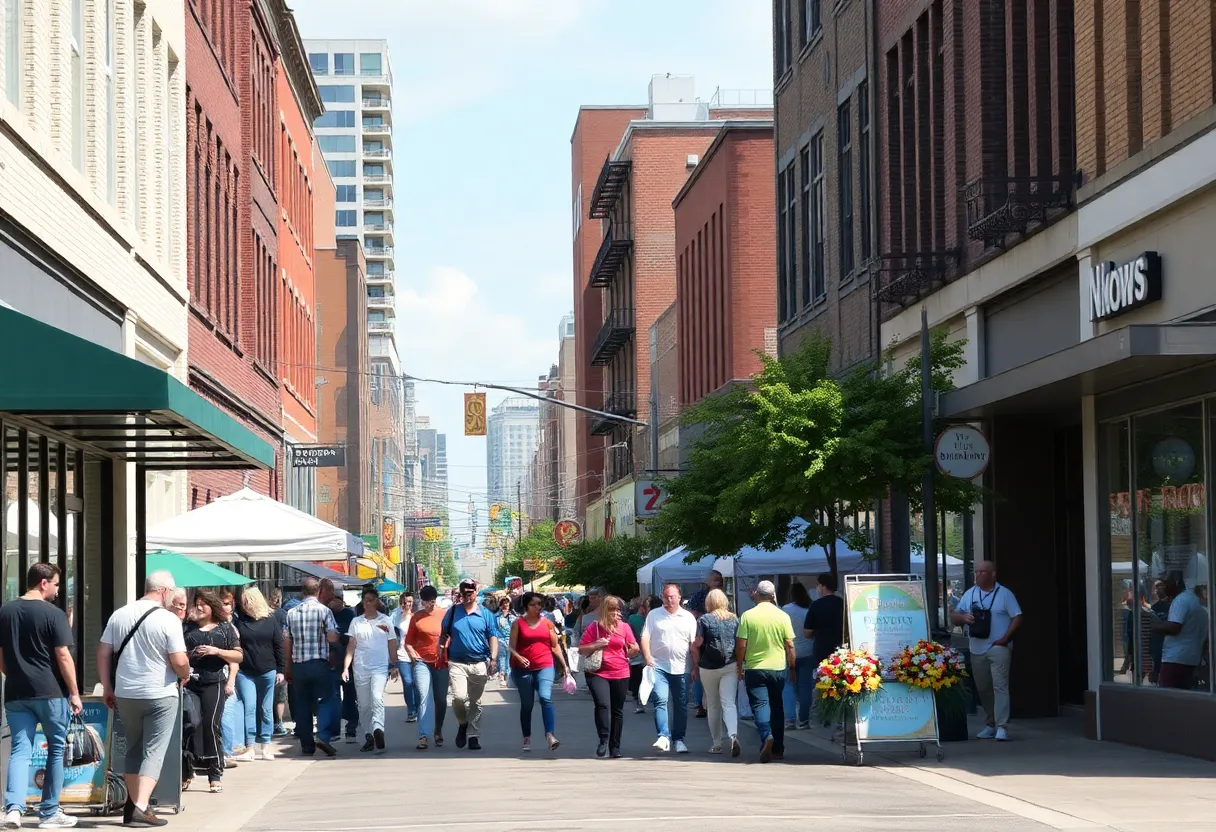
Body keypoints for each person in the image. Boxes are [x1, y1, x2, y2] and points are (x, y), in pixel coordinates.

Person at [97, 571, 190, 827]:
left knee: (133, 748)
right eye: (171, 592)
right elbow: (179, 659)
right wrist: (185, 673)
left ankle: (132, 806)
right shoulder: (168, 619)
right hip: (160, 693)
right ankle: (140, 806)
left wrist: (107, 686)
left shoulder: (120, 614)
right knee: (154, 751)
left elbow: (103, 652)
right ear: (163, 591)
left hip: (126, 693)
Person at [0, 564, 83, 829]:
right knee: (56, 749)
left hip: (16, 692)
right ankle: (48, 813)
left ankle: (13, 810)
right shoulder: (53, 614)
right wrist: (74, 692)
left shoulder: (5, 611)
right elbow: (63, 655)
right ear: (43, 583)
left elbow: (1, 656)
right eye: (57, 584)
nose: (58, 590)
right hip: (50, 692)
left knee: (20, 750)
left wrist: (15, 675)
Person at [951, 561, 1023, 741]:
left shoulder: (1004, 594)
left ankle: (1002, 726)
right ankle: (991, 723)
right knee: (983, 688)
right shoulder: (970, 594)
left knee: (1000, 685)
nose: (978, 575)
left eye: (982, 572)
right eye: (976, 571)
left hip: (998, 646)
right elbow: (954, 616)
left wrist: (1006, 638)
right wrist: (963, 618)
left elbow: (1017, 616)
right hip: (977, 647)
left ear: (993, 574)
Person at [181, 590, 243, 792]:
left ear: (212, 606)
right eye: (197, 603)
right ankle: (186, 771)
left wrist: (217, 651)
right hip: (190, 683)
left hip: (214, 682)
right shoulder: (187, 627)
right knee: (190, 725)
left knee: (210, 725)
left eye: (203, 604)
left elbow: (238, 656)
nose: (199, 607)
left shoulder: (225, 628)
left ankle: (214, 774)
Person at [736, 580, 795, 763]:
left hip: (754, 668)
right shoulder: (783, 616)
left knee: (760, 705)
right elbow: (790, 645)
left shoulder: (747, 616)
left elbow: (741, 645)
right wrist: (792, 667)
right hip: (777, 668)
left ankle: (766, 735)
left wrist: (740, 665)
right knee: (777, 706)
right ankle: (778, 748)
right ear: (773, 595)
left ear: (756, 595)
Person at [283, 577, 340, 758]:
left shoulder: (291, 613)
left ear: (302, 591)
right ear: (318, 591)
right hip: (319, 663)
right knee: (325, 700)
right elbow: (332, 637)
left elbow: (287, 641)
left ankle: (307, 746)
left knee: (302, 705)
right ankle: (323, 736)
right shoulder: (324, 611)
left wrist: (287, 667)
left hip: (299, 665)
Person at [439, 579, 498, 751]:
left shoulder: (485, 614)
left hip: (479, 663)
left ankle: (473, 736)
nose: (467, 596)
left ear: (476, 592)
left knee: (475, 701)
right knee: (458, 698)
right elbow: (443, 634)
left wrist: (493, 659)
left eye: (470, 592)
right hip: (456, 662)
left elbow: (492, 636)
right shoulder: (452, 612)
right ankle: (463, 723)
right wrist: (440, 650)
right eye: (464, 593)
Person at [578, 595, 638, 758]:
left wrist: (633, 650)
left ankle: (615, 746)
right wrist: (596, 644)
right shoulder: (595, 627)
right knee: (602, 704)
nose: (617, 613)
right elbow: (581, 649)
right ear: (605, 611)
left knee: (617, 710)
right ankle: (603, 739)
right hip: (597, 672)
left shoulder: (624, 627)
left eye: (619, 610)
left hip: (620, 671)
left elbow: (634, 647)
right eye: (613, 610)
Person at [640, 584, 697, 754]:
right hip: (658, 665)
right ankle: (663, 736)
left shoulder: (688, 617)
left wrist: (695, 667)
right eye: (666, 596)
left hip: (682, 667)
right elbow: (645, 637)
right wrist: (648, 657)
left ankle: (679, 739)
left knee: (681, 704)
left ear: (679, 597)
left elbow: (693, 644)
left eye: (672, 596)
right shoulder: (654, 615)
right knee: (660, 699)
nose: (669, 600)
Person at [507, 592, 567, 752]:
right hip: (522, 670)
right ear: (526, 606)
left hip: (545, 665)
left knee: (545, 698)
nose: (537, 607)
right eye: (533, 604)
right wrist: (518, 657)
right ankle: (526, 737)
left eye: (539, 604)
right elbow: (511, 646)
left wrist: (565, 666)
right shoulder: (518, 623)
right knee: (527, 704)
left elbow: (555, 646)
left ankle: (550, 735)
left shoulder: (547, 623)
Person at [342, 587, 398, 753]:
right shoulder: (356, 622)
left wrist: (394, 664)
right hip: (360, 667)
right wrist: (345, 668)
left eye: (371, 600)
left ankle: (378, 728)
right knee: (364, 705)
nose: (367, 603)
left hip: (379, 667)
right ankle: (369, 735)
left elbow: (392, 643)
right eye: (365, 600)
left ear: (377, 601)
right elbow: (351, 646)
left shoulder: (386, 621)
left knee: (376, 697)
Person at [233, 587, 284, 762]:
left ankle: (265, 745)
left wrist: (281, 670)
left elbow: (278, 645)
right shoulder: (239, 621)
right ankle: (250, 747)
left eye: (246, 602)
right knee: (250, 707)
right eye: (243, 603)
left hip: (268, 671)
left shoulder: (271, 620)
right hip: (245, 671)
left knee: (266, 709)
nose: (244, 606)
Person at [691, 588, 740, 756]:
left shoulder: (703, 620)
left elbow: (698, 643)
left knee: (713, 704)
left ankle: (717, 743)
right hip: (730, 665)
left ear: (708, 603)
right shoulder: (734, 619)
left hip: (708, 667)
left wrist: (695, 659)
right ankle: (733, 735)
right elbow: (739, 643)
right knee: (729, 702)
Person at [405, 586, 448, 750]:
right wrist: (412, 654)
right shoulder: (416, 617)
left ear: (435, 600)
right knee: (423, 695)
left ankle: (438, 729)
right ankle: (423, 735)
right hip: (421, 661)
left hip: (441, 662)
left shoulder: (444, 615)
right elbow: (408, 642)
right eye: (424, 602)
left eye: (430, 602)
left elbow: (451, 635)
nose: (427, 605)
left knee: (441, 699)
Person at [1152, 570, 1210, 691]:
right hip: (1191, 659)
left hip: (1175, 659)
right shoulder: (1195, 601)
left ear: (1176, 582)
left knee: (1168, 697)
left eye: (1165, 584)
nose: (1164, 588)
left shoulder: (1180, 600)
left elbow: (1174, 627)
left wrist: (1155, 626)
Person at [803, 572, 845, 727]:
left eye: (818, 585)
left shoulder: (816, 605)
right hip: (841, 650)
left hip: (821, 650)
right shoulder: (842, 603)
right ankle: (840, 717)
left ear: (822, 585)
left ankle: (825, 715)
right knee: (841, 682)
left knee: (823, 682)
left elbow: (807, 632)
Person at [319, 582, 358, 744]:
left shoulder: (348, 614)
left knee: (350, 696)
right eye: (332, 599)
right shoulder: (325, 613)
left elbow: (351, 637)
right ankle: (334, 729)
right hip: (331, 662)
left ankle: (351, 728)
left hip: (347, 661)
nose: (333, 602)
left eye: (337, 599)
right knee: (333, 696)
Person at [686, 570, 725, 718]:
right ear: (708, 582)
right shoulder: (699, 596)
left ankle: (715, 703)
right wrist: (705, 617)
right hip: (701, 638)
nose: (718, 582)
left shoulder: (725, 596)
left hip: (721, 640)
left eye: (720, 580)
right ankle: (699, 705)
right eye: (715, 580)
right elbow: (690, 613)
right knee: (699, 670)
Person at [781, 581, 815, 730]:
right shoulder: (810, 608)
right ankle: (804, 720)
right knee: (805, 687)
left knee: (789, 685)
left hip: (790, 653)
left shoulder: (786, 609)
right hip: (808, 652)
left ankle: (790, 719)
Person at [390, 592, 419, 723]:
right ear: (402, 602)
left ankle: (418, 708)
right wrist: (392, 660)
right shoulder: (395, 616)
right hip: (401, 653)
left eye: (411, 601)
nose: (408, 604)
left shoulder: (417, 616)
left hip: (416, 653)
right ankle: (411, 711)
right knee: (408, 682)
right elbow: (391, 635)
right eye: (406, 601)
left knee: (417, 683)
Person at [268, 588, 290, 736]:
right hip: (280, 655)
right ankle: (279, 723)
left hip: (267, 657)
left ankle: (269, 723)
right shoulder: (283, 614)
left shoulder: (264, 615)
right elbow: (286, 635)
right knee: (280, 694)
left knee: (267, 694)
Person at [626, 596, 649, 713]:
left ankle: (639, 700)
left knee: (637, 679)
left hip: (636, 653)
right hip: (649, 653)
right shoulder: (652, 618)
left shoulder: (632, 618)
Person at [494, 597, 515, 686]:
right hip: (500, 640)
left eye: (507, 603)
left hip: (510, 640)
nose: (505, 605)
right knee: (502, 658)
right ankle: (502, 675)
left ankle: (508, 676)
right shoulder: (496, 617)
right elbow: (494, 628)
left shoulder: (512, 616)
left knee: (509, 659)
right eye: (503, 603)